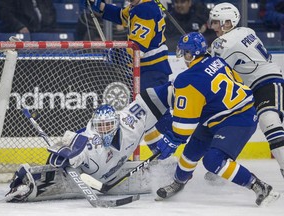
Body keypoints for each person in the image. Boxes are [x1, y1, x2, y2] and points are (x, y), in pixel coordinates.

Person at [154, 32, 280, 206]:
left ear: (191, 54)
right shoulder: (217, 61)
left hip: (238, 118)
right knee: (190, 152)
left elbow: (184, 127)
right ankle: (178, 182)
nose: (183, 56)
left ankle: (260, 186)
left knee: (213, 160)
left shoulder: (187, 79)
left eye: (185, 53)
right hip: (218, 116)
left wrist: (171, 139)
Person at [4, 83, 174, 202]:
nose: (104, 130)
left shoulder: (131, 122)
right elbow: (82, 146)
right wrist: (70, 156)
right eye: (100, 126)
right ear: (94, 125)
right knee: (65, 154)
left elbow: (157, 96)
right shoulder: (91, 141)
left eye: (108, 125)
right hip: (93, 172)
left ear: (116, 123)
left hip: (112, 170)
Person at [208, 2, 284, 179]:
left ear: (228, 22)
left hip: (266, 82)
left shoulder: (222, 43)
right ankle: (223, 163)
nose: (213, 26)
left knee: (269, 120)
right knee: (237, 123)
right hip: (249, 89)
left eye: (216, 22)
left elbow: (215, 70)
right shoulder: (247, 31)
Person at [87, 0, 173, 153]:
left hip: (151, 71)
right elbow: (121, 16)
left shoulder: (145, 10)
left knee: (154, 115)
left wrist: (115, 53)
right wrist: (98, 5)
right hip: (147, 71)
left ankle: (171, 150)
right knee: (145, 117)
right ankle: (160, 155)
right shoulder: (140, 6)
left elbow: (137, 48)